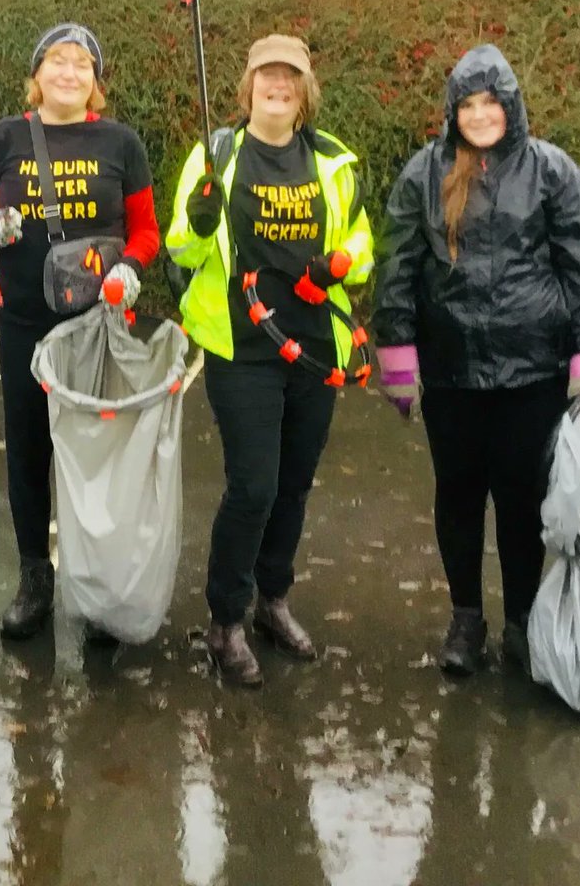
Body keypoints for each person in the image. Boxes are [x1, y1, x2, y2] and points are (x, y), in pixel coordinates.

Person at [373, 44, 580, 676]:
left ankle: (522, 623)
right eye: (468, 104)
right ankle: (466, 619)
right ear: (453, 111)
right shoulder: (424, 174)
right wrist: (396, 347)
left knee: (519, 501)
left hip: (530, 371)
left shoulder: (552, 172)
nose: (480, 115)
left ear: (512, 106)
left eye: (491, 103)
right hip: (452, 372)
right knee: (457, 496)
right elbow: (398, 266)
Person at [166, 34, 373, 686]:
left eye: (290, 79)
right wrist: (199, 223)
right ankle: (226, 620)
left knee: (293, 483)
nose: (277, 87)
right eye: (267, 77)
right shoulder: (217, 154)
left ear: (304, 91)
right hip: (243, 346)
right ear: (249, 87)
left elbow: (363, 245)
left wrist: (338, 264)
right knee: (253, 484)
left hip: (314, 347)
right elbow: (181, 250)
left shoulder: (335, 161)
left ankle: (273, 602)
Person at [0, 23, 160, 639]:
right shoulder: (7, 139)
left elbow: (146, 232)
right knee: (28, 454)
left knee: (97, 459)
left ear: (95, 81)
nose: (69, 74)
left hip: (100, 322)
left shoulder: (121, 142)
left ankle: (98, 584)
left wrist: (129, 268)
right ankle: (34, 580)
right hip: (24, 322)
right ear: (37, 73)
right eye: (57, 62)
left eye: (81, 65)